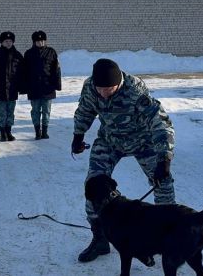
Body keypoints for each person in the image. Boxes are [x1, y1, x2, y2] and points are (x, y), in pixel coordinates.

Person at [71, 58, 175, 263]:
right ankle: (100, 239)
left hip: (143, 142)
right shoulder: (91, 87)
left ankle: (168, 237)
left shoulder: (136, 92)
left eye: (109, 89)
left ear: (118, 83)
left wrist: (164, 159)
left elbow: (161, 123)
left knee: (164, 186)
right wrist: (78, 136)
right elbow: (85, 110)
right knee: (92, 186)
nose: (104, 93)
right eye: (100, 89)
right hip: (110, 141)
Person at [23, 30, 61, 140]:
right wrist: (25, 87)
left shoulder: (51, 52)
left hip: (48, 87)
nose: (41, 43)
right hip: (33, 87)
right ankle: (37, 131)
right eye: (38, 41)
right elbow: (24, 72)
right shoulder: (29, 53)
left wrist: (57, 85)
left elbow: (56, 70)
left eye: (42, 41)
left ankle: (45, 131)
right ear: (34, 42)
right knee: (35, 111)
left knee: (46, 111)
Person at [0, 31, 23, 142]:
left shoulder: (18, 55)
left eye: (10, 41)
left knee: (10, 112)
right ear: (2, 42)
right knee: (1, 112)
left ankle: (9, 131)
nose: (8, 43)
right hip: (0, 90)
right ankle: (2, 133)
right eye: (6, 41)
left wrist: (21, 87)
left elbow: (22, 73)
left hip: (12, 89)